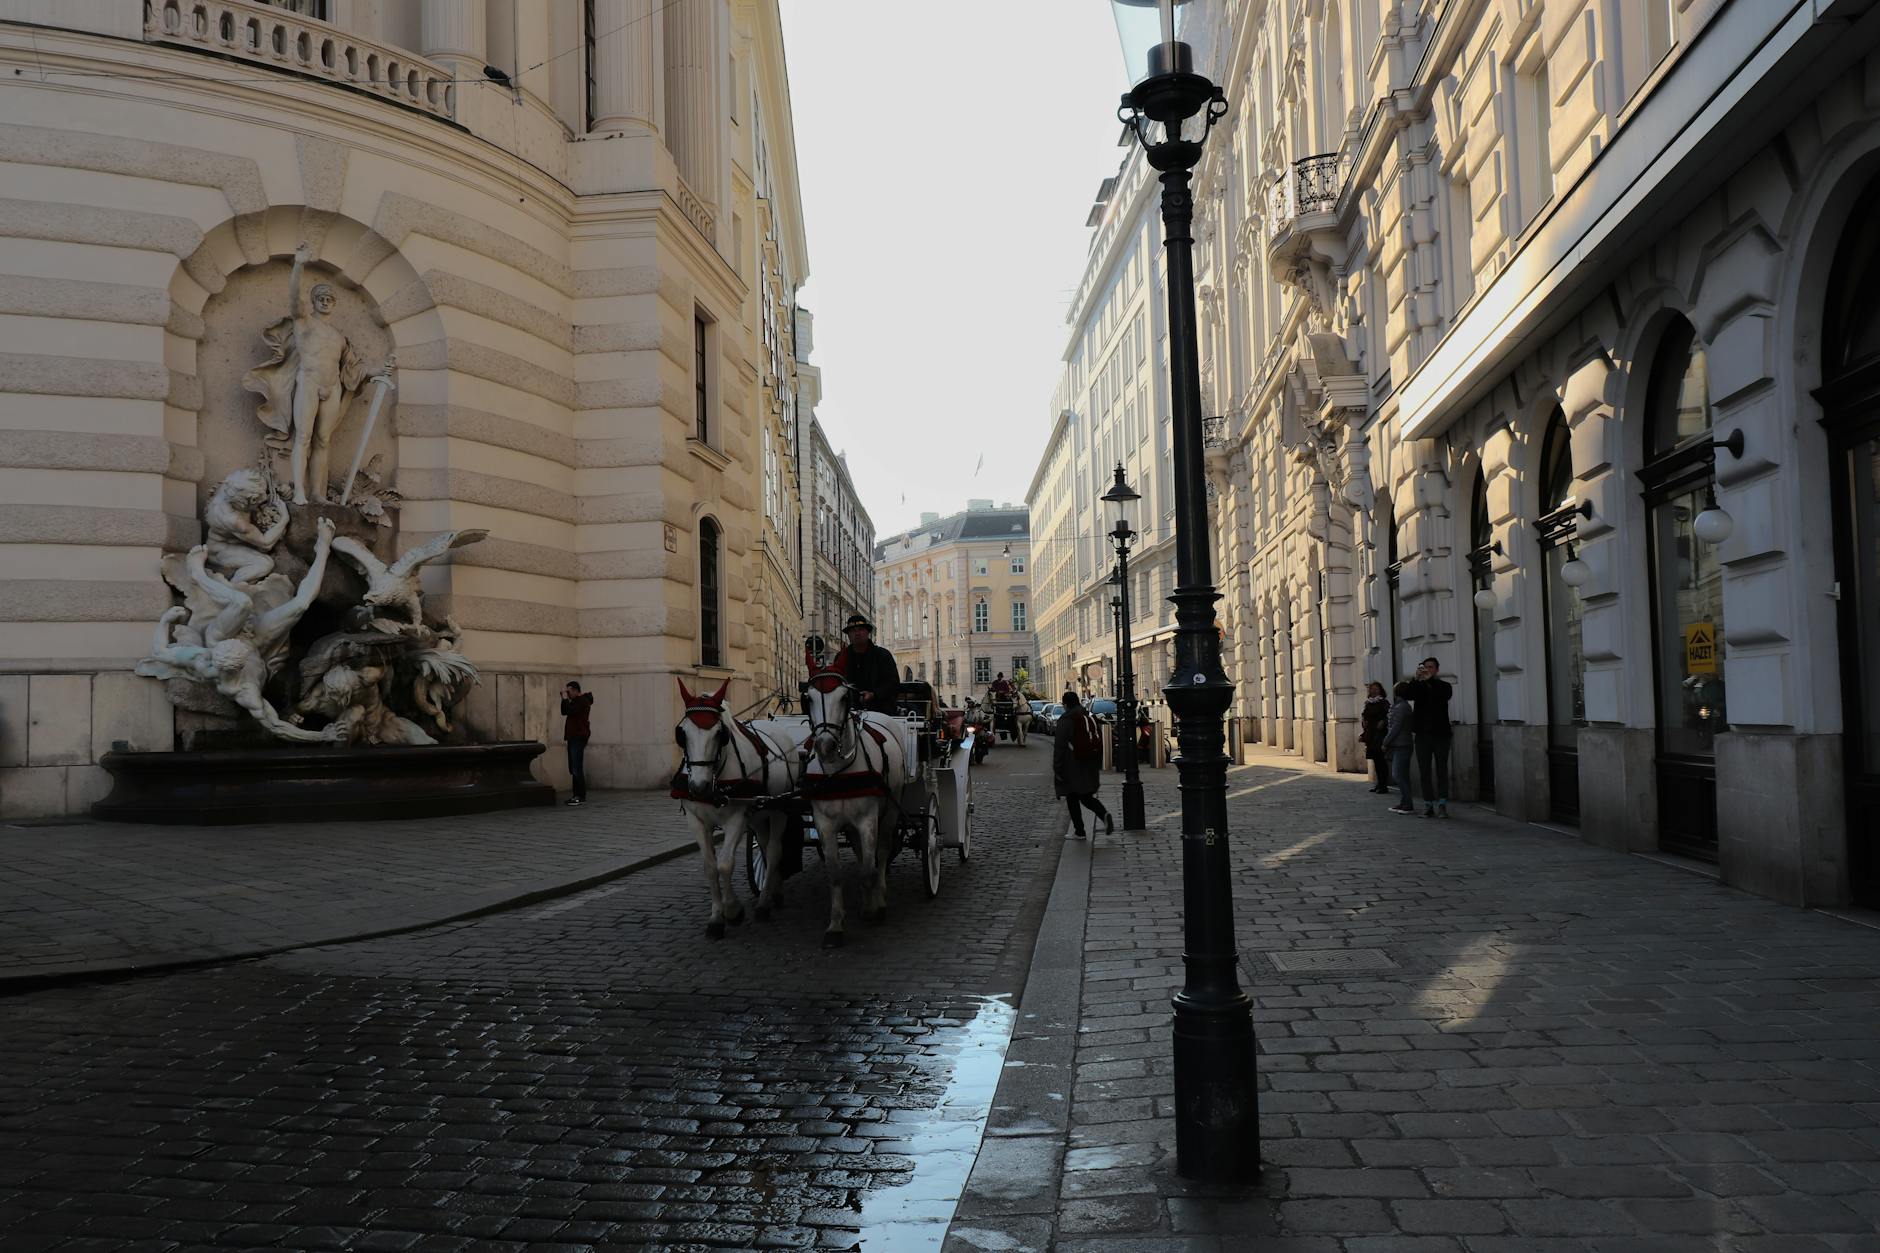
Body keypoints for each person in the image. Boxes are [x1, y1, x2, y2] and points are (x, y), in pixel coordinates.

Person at [1053, 690, 1113, 840]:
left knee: (1072, 797)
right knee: (1085, 796)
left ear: (1065, 704)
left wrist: (1057, 768)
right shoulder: (1088, 716)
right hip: (1090, 763)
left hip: (1072, 764)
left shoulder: (1066, 720)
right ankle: (1103, 814)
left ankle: (1080, 831)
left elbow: (1060, 746)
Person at [1407, 656, 1453, 818]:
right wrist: (1415, 678)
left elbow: (1442, 696)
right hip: (1422, 736)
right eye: (1425, 667)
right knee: (1424, 771)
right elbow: (1407, 694)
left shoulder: (1444, 686)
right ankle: (1428, 805)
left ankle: (1442, 804)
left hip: (1441, 735)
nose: (1428, 670)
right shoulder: (1418, 687)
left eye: (1431, 667)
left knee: (1441, 769)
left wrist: (1429, 681)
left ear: (1437, 670)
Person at [830, 612, 901, 715]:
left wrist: (874, 694)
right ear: (849, 635)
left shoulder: (882, 655)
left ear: (867, 632)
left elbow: (893, 683)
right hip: (848, 712)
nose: (857, 633)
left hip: (881, 711)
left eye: (860, 630)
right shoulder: (841, 657)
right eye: (853, 631)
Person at [1384, 681, 1416, 814]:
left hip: (1402, 744)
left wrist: (1385, 742)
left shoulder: (1401, 707)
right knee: (1403, 775)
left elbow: (1395, 727)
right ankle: (1404, 802)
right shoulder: (1400, 706)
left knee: (1398, 775)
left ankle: (1407, 804)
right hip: (1402, 744)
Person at [561, 680, 593, 806]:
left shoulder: (582, 702)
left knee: (576, 767)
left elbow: (570, 711)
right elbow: (564, 711)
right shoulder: (575, 701)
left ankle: (579, 795)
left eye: (569, 691)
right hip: (573, 736)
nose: (567, 694)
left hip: (578, 736)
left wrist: (564, 699)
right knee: (573, 767)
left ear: (575, 690)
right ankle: (576, 795)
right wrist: (564, 700)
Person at [1360, 681, 1390, 793]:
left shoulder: (1383, 702)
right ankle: (1379, 784)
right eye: (1372, 688)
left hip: (1380, 734)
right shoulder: (1368, 703)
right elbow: (1364, 716)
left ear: (1380, 690)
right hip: (1371, 735)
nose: (1374, 690)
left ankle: (1384, 785)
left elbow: (1389, 715)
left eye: (1376, 688)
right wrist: (1364, 722)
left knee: (1381, 760)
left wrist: (1383, 722)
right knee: (1376, 761)